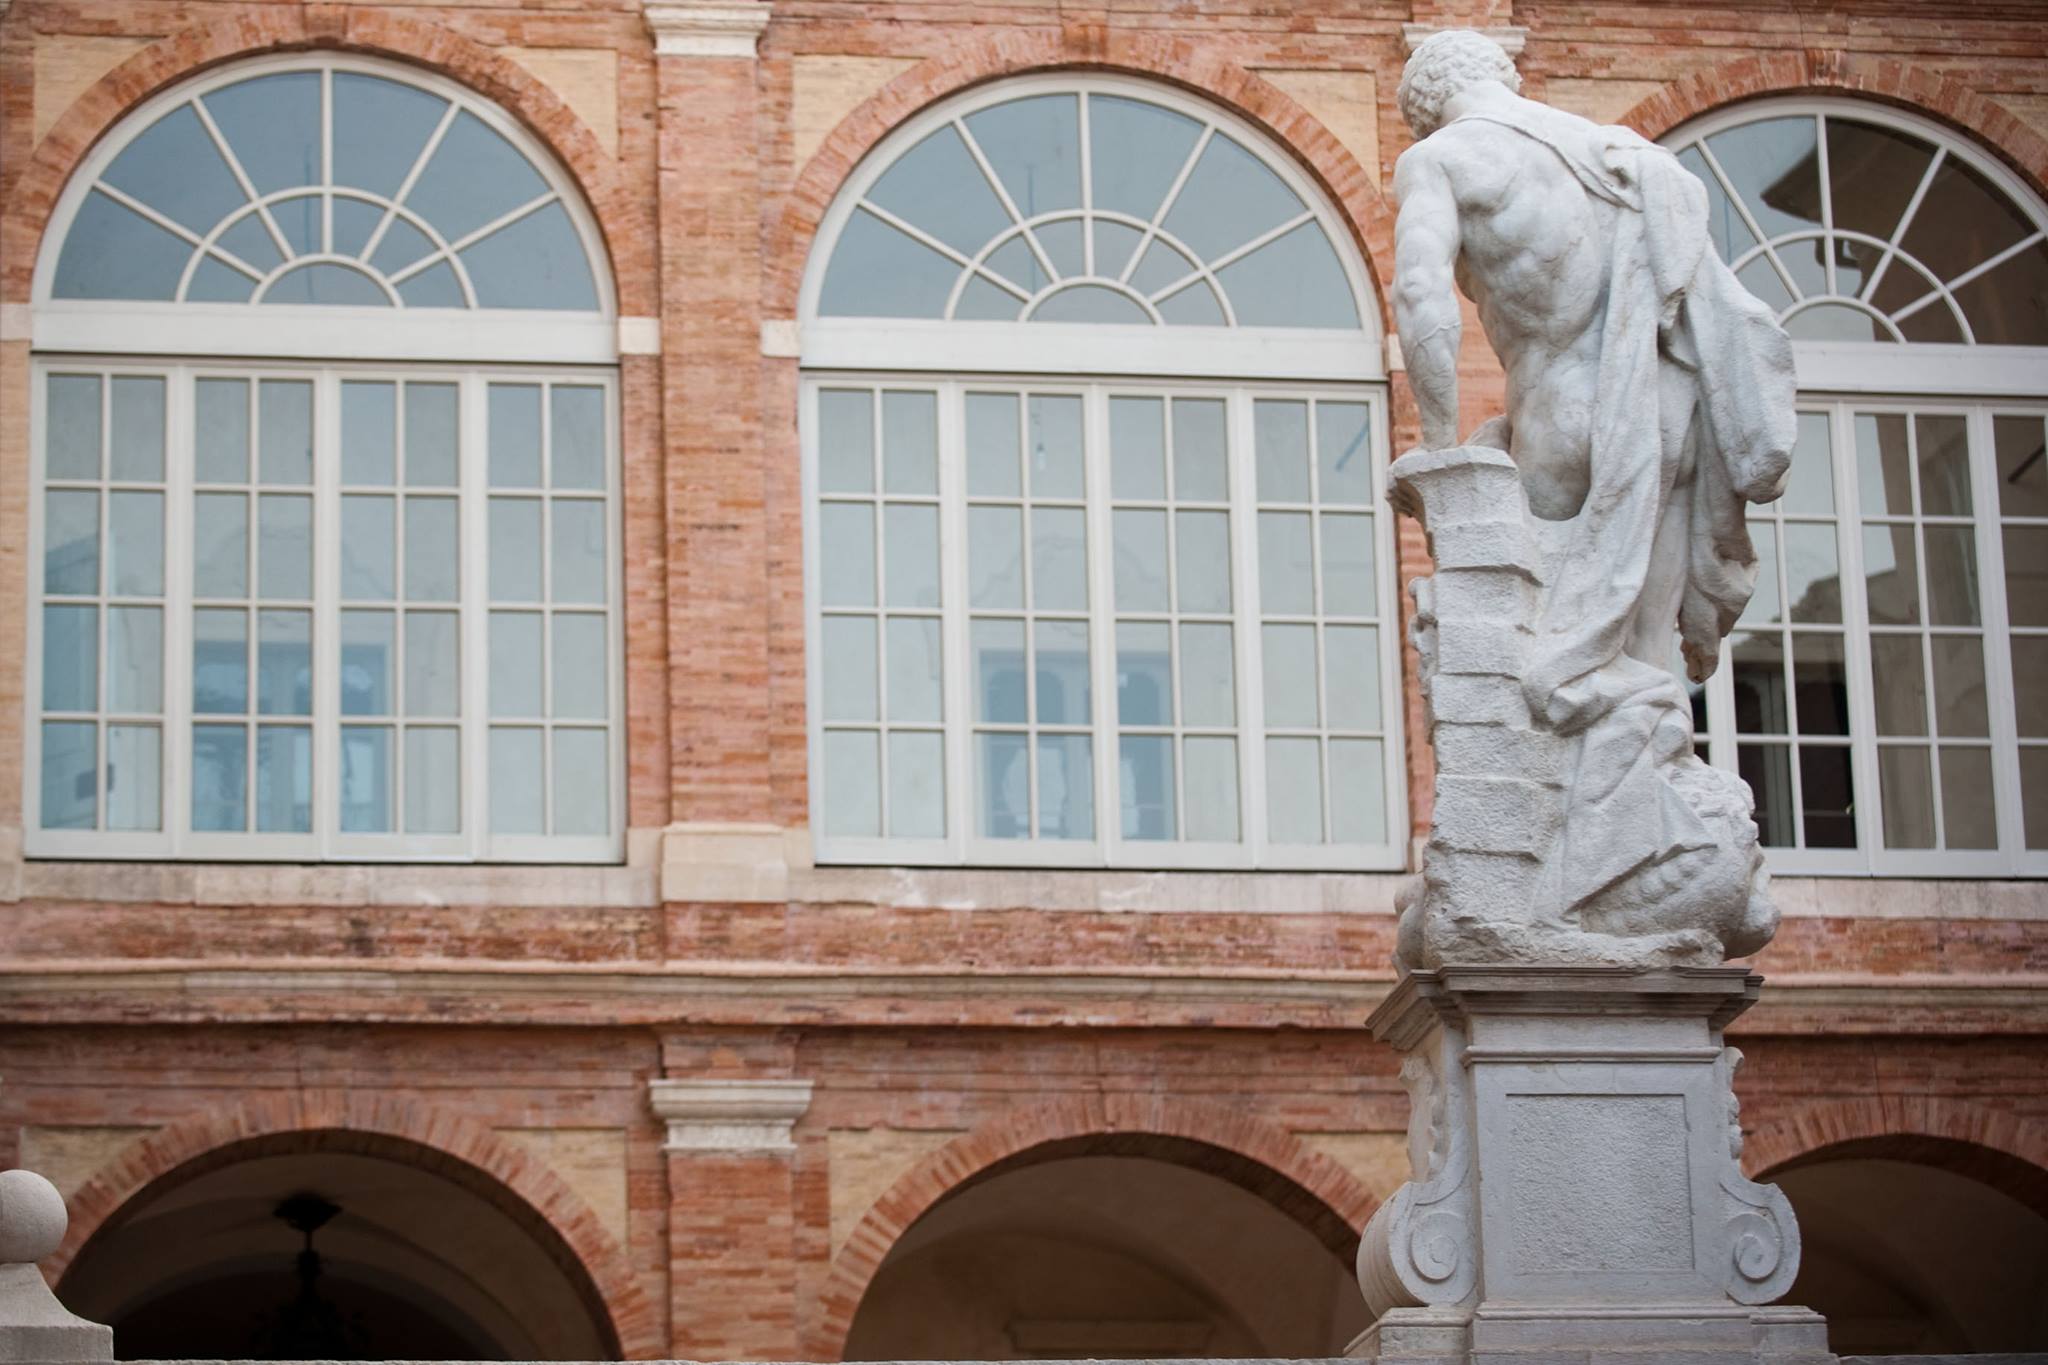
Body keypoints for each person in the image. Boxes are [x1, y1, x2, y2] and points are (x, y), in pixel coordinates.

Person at [1390, 29, 1794, 934]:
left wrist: (1443, 445)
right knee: (1635, 658)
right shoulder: (1622, 157)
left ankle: (1552, 879)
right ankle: (1630, 860)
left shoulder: (1443, 159)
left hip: (1567, 417)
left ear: (1423, 101)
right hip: (1666, 411)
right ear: (1501, 75)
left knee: (1532, 657)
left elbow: (1422, 302)